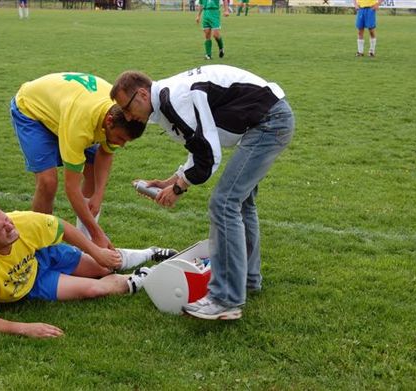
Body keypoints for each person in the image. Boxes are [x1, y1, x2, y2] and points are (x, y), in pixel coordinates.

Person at [111, 65, 295, 320]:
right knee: (241, 203)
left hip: (269, 123)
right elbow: (198, 144)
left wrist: (179, 188)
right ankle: (248, 280)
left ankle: (225, 299)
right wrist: (172, 180)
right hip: (267, 120)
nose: (128, 117)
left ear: (142, 94)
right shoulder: (167, 98)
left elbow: (209, 154)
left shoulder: (172, 99)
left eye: (127, 108)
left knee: (224, 203)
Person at [0, 198, 177, 338]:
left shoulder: (20, 221)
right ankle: (150, 276)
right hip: (29, 282)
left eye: (6, 219)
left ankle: (150, 253)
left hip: (43, 255)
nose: (10, 226)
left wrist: (97, 252)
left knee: (103, 266)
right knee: (94, 289)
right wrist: (25, 328)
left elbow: (62, 227)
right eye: (1, 230)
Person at [10, 72, 146, 250]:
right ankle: (41, 246)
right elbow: (71, 187)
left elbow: (104, 155)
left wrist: (98, 194)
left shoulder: (121, 112)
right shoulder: (81, 126)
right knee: (48, 182)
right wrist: (99, 233)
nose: (121, 145)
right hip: (31, 109)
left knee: (92, 172)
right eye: (120, 138)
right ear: (109, 121)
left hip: (67, 109)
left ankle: (86, 243)